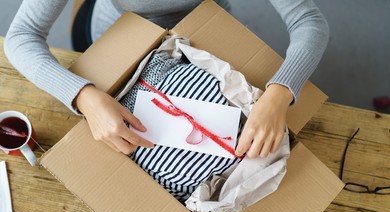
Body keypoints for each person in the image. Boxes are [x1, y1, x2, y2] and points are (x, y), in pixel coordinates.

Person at [4, 0, 329, 159]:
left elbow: (308, 20)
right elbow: (21, 36)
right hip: (116, 41)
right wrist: (83, 96)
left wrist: (278, 95)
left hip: (209, 36)